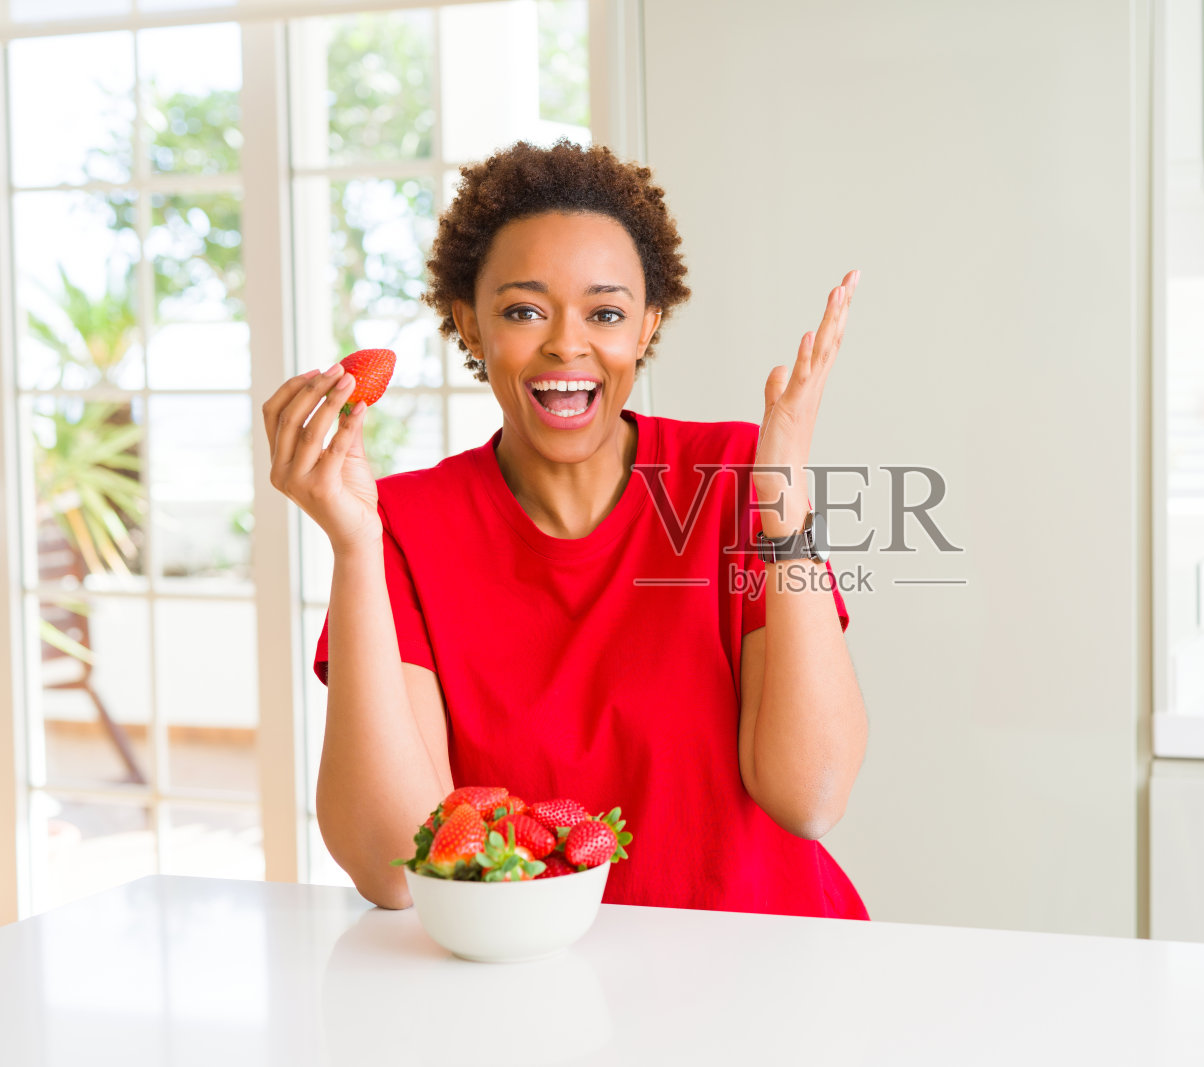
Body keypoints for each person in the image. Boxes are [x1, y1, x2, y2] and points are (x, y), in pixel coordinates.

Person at [261, 139, 869, 919]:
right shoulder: (399, 524)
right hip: (531, 990)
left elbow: (809, 797)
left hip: (766, 973)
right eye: (523, 311)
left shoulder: (733, 474)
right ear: (469, 327)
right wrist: (352, 544)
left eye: (606, 312)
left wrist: (782, 497)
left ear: (646, 326)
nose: (566, 344)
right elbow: (394, 866)